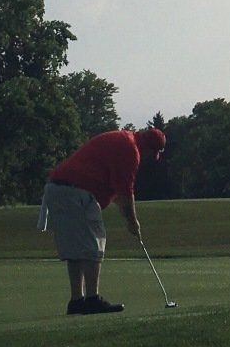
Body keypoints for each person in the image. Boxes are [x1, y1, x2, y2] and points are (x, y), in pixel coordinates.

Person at [38, 125, 166, 315]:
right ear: (148, 148)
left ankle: (76, 300)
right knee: (93, 245)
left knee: (75, 248)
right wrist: (133, 222)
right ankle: (92, 299)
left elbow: (113, 190)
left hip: (56, 189)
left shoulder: (122, 139)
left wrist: (127, 215)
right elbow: (126, 193)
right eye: (152, 153)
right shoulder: (130, 151)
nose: (149, 158)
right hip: (77, 192)